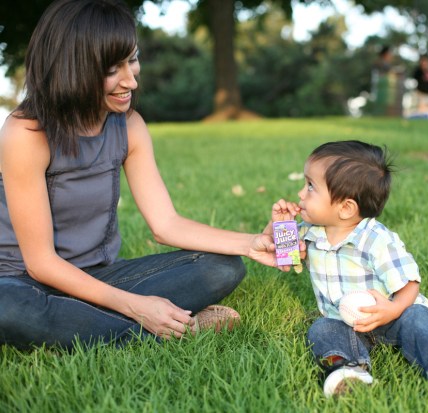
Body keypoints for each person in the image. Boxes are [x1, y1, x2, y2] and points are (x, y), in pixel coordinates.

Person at [0, 0, 285, 351]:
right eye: (112, 69)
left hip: (100, 276)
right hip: (24, 280)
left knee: (223, 268)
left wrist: (250, 244)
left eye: (132, 59)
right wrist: (136, 305)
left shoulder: (129, 125)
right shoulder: (26, 133)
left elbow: (166, 224)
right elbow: (41, 263)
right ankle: (169, 328)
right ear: (71, 68)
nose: (131, 80)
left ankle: (98, 324)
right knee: (9, 310)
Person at [271, 141, 428, 407]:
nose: (301, 193)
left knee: (419, 318)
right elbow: (287, 261)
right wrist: (281, 224)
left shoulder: (376, 240)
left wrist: (394, 310)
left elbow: (409, 283)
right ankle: (348, 369)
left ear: (346, 208)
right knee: (322, 328)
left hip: (393, 317)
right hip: (344, 321)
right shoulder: (309, 232)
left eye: (310, 186)